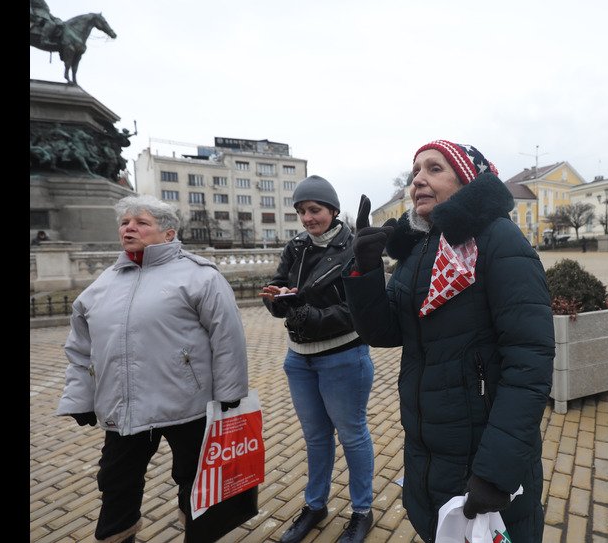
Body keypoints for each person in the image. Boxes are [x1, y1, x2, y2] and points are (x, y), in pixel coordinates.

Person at [343, 140, 554, 543]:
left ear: (466, 180)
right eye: (414, 172)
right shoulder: (421, 246)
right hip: (428, 453)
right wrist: (365, 272)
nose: (417, 180)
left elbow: (530, 362)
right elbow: (385, 331)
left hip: (483, 457)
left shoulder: (499, 241)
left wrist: (495, 471)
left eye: (433, 169)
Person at [57, 195, 249, 543]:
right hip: (124, 407)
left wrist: (230, 394)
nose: (129, 227)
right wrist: (80, 399)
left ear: (167, 233)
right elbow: (82, 349)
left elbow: (227, 337)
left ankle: (199, 535)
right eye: (124, 223)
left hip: (187, 405)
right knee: (116, 482)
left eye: (141, 222)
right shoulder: (103, 284)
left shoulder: (199, 276)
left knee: (195, 481)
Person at [260, 175, 375, 543]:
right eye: (301, 211)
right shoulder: (296, 247)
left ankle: (361, 511)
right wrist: (276, 300)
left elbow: (364, 308)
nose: (308, 218)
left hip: (343, 356)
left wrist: (315, 318)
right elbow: (279, 282)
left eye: (315, 210)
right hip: (299, 359)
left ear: (333, 210)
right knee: (315, 437)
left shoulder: (355, 247)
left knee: (352, 435)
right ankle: (316, 505)